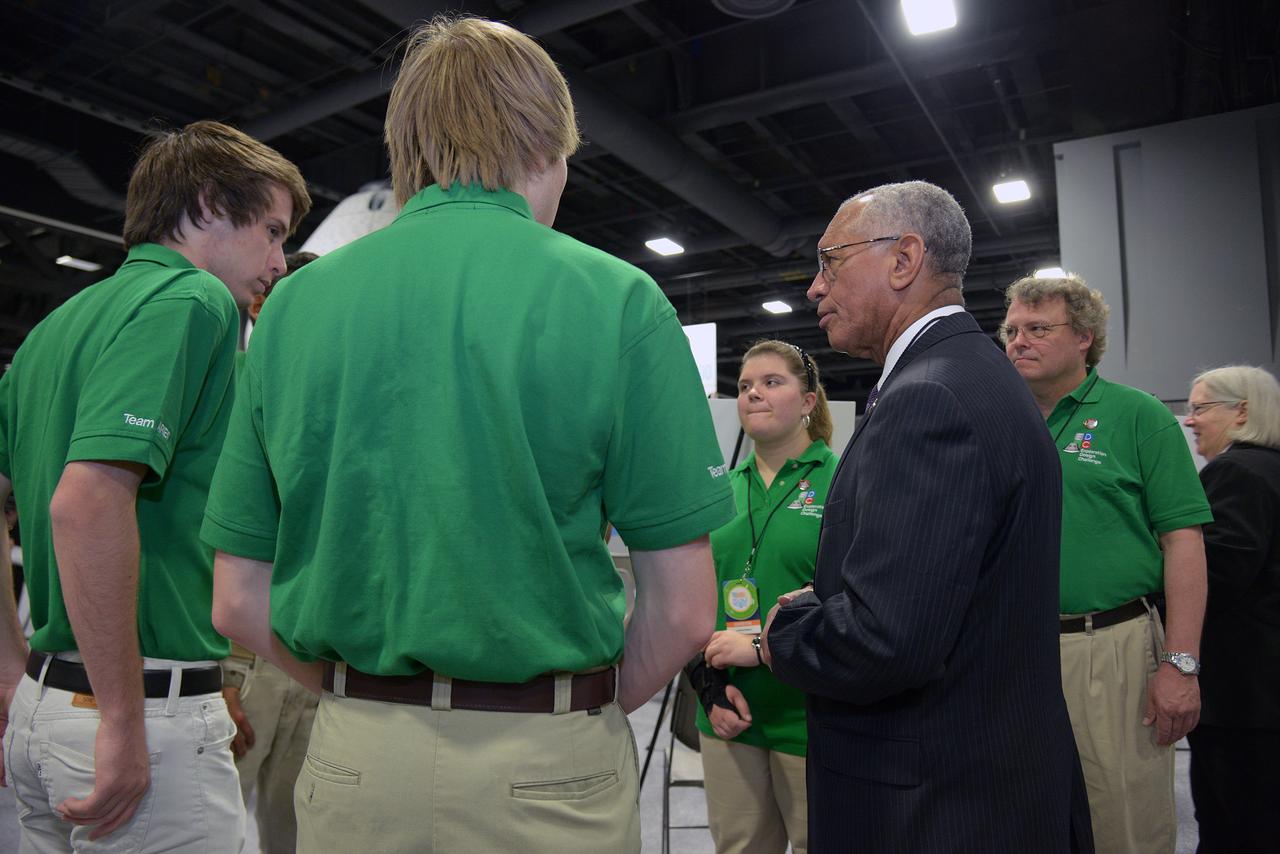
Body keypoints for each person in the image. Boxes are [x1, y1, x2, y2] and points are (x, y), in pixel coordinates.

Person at [200, 16, 733, 854]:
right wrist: (578, 703)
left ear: (405, 145)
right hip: (549, 768)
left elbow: (237, 597)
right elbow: (686, 607)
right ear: (549, 144)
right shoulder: (619, 299)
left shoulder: (293, 307)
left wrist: (356, 689)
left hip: (353, 763)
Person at [0, 119, 309, 852]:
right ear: (205, 205)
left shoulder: (55, 328)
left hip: (43, 706)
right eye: (270, 230)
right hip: (135, 703)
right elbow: (86, 501)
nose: (280, 260)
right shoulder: (197, 302)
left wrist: (10, 675)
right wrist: (122, 717)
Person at [763, 181, 1091, 852]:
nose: (814, 289)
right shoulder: (976, 377)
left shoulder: (928, 398)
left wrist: (788, 629)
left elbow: (886, 643)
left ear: (904, 259)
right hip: (984, 784)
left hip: (932, 806)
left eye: (831, 261)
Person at [1002, 273, 1210, 854]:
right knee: (1027, 818)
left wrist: (1181, 665)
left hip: (1110, 646)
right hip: (1015, 651)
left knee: (1123, 822)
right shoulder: (999, 423)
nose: (1019, 340)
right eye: (1012, 329)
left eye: (1038, 328)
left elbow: (1184, 542)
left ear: (1085, 338)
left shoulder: (1138, 415)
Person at [693, 340, 836, 854]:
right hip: (730, 713)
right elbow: (689, 600)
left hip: (814, 716)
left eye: (772, 382)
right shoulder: (719, 490)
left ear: (808, 401)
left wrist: (759, 649)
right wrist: (706, 686)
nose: (754, 393)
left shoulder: (843, 482)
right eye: (745, 386)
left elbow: (857, 598)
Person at [220, 249, 320, 854]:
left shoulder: (331, 402)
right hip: (246, 661)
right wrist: (224, 676)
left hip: (312, 663)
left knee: (301, 831)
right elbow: (216, 548)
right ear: (262, 307)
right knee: (220, 826)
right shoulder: (232, 392)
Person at [1181, 365, 1280, 853]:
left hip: (1243, 697)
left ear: (1242, 411)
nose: (1189, 420)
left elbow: (1216, 573)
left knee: (1231, 827)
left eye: (1200, 408)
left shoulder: (1236, 472)